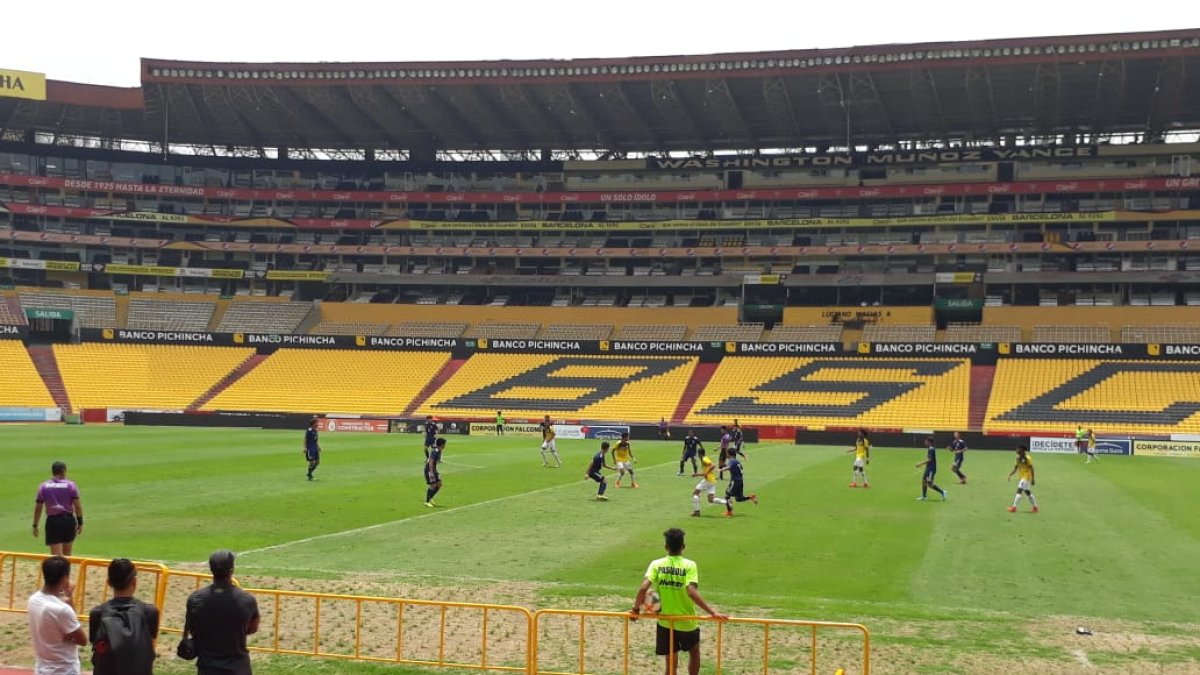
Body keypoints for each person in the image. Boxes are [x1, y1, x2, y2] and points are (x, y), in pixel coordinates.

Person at [630, 528, 727, 675]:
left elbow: (644, 588)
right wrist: (712, 612)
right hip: (686, 620)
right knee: (694, 651)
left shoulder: (656, 564)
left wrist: (636, 610)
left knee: (670, 658)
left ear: (666, 547)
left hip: (665, 621)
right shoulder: (689, 565)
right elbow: (691, 591)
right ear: (683, 546)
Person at [185, 550, 260, 675]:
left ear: (211, 569)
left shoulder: (195, 599)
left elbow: (193, 628)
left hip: (207, 667)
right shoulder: (246, 600)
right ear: (232, 570)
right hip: (238, 667)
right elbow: (252, 628)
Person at [89, 558, 159, 675]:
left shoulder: (97, 613)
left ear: (108, 582)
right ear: (134, 582)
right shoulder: (150, 612)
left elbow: (95, 643)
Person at [28, 555, 87, 675]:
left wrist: (69, 598)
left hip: (42, 667)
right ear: (65, 577)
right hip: (64, 669)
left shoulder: (33, 600)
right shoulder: (61, 610)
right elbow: (83, 640)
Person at [32, 461, 84, 556]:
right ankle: (66, 571)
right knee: (68, 554)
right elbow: (77, 506)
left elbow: (38, 508)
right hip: (68, 520)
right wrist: (80, 522)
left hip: (53, 522)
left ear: (53, 472)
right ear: (64, 471)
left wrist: (35, 525)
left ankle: (57, 571)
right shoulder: (71, 485)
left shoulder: (43, 486)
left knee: (56, 556)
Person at [690, 449, 727, 516]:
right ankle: (727, 502)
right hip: (712, 480)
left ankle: (697, 512)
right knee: (711, 499)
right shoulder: (705, 459)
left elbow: (712, 466)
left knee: (695, 494)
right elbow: (705, 473)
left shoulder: (704, 459)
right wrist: (697, 474)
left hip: (708, 480)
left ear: (699, 454)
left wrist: (706, 472)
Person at [722, 454, 758, 518]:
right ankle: (751, 497)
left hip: (735, 481)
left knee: (727, 495)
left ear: (729, 454)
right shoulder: (737, 461)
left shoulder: (731, 461)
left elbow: (729, 467)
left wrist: (721, 470)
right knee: (739, 498)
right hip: (740, 480)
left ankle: (729, 512)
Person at [1007, 445, 1039, 513]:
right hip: (1022, 477)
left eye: (1018, 449)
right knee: (1028, 493)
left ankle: (1014, 507)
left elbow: (1031, 468)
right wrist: (1010, 475)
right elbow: (1015, 468)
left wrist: (1033, 479)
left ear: (1022, 450)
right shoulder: (1017, 458)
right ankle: (1035, 507)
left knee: (1019, 490)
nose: (1016, 450)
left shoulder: (1027, 458)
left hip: (1026, 477)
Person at [915, 436, 948, 501]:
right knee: (924, 481)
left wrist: (920, 464)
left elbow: (930, 460)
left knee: (929, 483)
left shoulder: (931, 449)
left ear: (929, 442)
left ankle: (942, 492)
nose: (925, 442)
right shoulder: (930, 449)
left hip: (931, 469)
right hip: (928, 468)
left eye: (926, 441)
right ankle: (924, 496)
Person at [425, 437, 446, 507]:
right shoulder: (435, 451)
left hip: (434, 469)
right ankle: (427, 502)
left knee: (439, 484)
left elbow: (436, 460)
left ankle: (430, 498)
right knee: (433, 485)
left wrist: (439, 460)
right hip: (429, 469)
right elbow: (430, 462)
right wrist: (431, 473)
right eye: (444, 444)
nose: (445, 445)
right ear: (442, 444)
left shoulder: (439, 450)